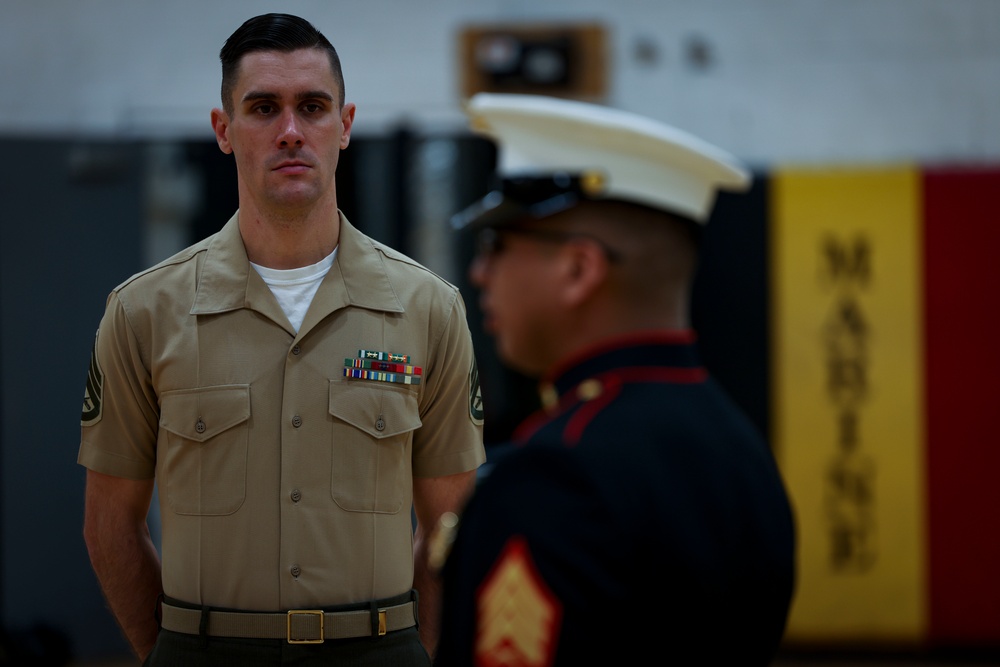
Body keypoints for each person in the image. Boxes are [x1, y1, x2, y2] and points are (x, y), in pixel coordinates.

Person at [78, 13, 486, 666]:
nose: (291, 131)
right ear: (223, 129)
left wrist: (416, 651)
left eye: (313, 107)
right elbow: (109, 524)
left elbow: (451, 528)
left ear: (345, 125)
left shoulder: (428, 309)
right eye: (263, 107)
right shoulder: (143, 312)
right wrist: (171, 652)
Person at [433, 94, 796, 666]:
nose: (480, 272)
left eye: (497, 244)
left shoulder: (555, 476)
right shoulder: (742, 451)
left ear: (579, 270)